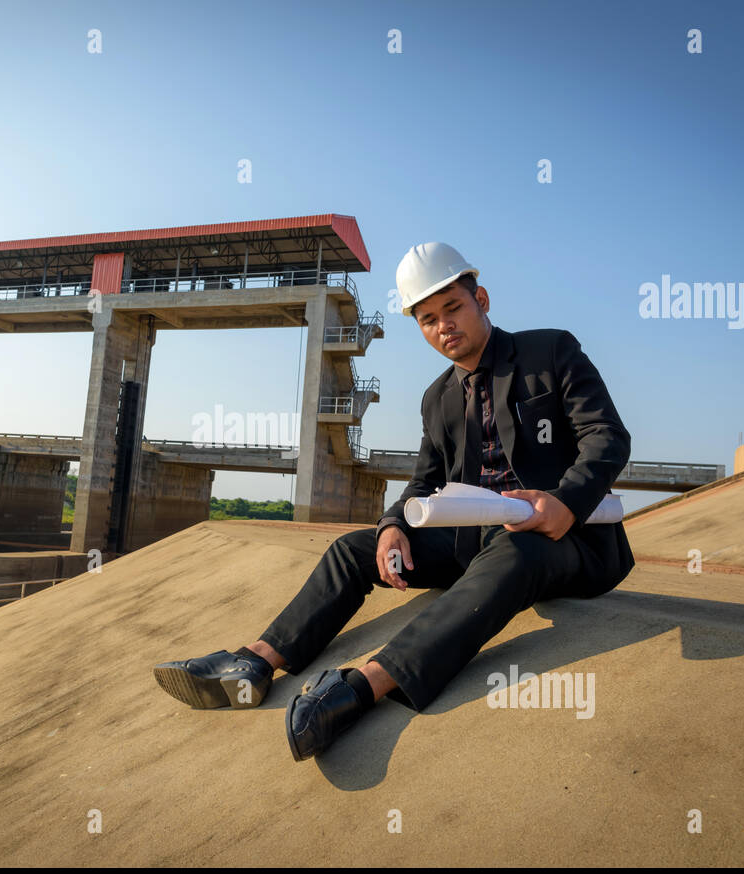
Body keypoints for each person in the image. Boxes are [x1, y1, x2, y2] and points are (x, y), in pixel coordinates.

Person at [153, 242, 635, 761]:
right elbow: (422, 481)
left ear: (482, 300)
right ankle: (256, 661)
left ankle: (362, 686)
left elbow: (607, 437)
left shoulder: (551, 352)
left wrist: (565, 501)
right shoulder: (437, 398)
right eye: (428, 319)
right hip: (473, 541)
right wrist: (390, 526)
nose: (444, 326)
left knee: (515, 553)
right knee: (351, 550)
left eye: (453, 308)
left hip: (560, 540)